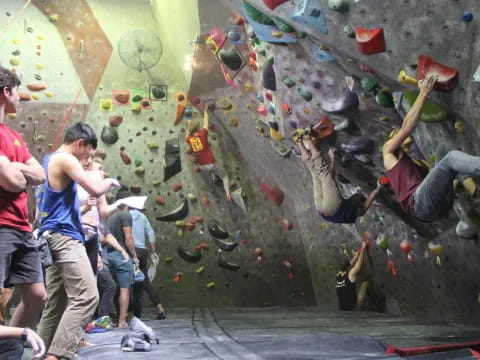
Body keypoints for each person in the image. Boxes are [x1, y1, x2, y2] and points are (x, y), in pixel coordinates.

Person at [35, 122, 120, 360]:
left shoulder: (48, 160)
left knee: (56, 302)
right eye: (88, 154)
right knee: (87, 296)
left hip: (50, 236)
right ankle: (57, 355)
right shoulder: (66, 159)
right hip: (65, 238)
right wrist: (109, 182)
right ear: (80, 143)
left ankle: (40, 354)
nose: (87, 160)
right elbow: (94, 188)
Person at [383, 73, 480, 222]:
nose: (399, 135)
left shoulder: (410, 160)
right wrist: (424, 92)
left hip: (433, 205)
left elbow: (405, 126)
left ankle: (473, 189)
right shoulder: (387, 151)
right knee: (450, 159)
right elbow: (406, 129)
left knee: (443, 149)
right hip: (419, 206)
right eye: (395, 135)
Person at [0, 67, 47, 340]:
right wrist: (17, 170)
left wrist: (12, 164)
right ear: (6, 92)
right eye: (17, 92)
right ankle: (14, 342)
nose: (20, 97)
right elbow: (14, 182)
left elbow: (39, 175)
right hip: (2, 226)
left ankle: (12, 347)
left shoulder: (13, 136)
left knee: (37, 295)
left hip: (22, 227)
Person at [294, 134, 384, 223]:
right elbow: (331, 178)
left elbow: (372, 196)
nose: (354, 195)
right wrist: (332, 159)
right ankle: (298, 141)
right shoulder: (344, 209)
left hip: (330, 208)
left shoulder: (357, 211)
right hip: (320, 208)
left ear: (358, 203)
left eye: (357, 196)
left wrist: (379, 187)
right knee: (315, 172)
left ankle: (308, 137)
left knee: (322, 172)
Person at [106, 190, 138, 328]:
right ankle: (122, 321)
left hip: (109, 255)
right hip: (122, 256)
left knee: (111, 288)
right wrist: (134, 255)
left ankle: (109, 318)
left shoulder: (110, 216)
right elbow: (129, 238)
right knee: (125, 290)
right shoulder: (125, 214)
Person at [186, 109, 231, 202]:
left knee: (211, 168)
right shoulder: (202, 134)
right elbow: (206, 122)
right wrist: (205, 112)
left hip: (202, 166)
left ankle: (214, 178)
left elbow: (187, 133)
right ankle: (228, 194)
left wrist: (189, 123)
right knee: (224, 176)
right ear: (198, 129)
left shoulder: (189, 139)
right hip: (211, 164)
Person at [130, 208, 166, 320]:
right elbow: (151, 233)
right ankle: (160, 308)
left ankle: (126, 314)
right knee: (144, 281)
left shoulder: (124, 216)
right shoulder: (142, 216)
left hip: (130, 250)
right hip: (142, 251)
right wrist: (153, 251)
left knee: (125, 283)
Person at [336, 240, 369, 310]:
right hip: (353, 308)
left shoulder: (338, 275)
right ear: (348, 268)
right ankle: (362, 307)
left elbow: (348, 265)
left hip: (342, 308)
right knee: (365, 283)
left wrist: (355, 256)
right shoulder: (350, 274)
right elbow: (359, 264)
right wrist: (363, 248)